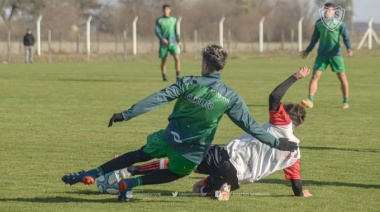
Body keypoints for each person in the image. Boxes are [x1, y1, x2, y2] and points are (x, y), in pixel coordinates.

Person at [62, 44, 298, 202]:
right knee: (174, 173)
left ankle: (94, 172)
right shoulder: (231, 97)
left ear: (205, 64)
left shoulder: (187, 83)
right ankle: (132, 183)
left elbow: (158, 98)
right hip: (192, 154)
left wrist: (126, 114)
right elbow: (251, 127)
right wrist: (276, 143)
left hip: (167, 139)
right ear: (221, 67)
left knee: (138, 154)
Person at [121, 67, 312, 200]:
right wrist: (302, 193)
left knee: (187, 158)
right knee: (198, 188)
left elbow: (274, 96)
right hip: (237, 179)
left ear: (285, 115)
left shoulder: (281, 122)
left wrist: (295, 77)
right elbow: (296, 184)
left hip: (224, 158)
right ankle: (214, 189)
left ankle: (133, 169)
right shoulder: (295, 153)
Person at [300, 2, 352, 109]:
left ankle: (345, 101)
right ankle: (310, 100)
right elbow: (315, 38)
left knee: (342, 77)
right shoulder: (319, 23)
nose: (328, 12)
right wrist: (308, 50)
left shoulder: (340, 23)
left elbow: (346, 36)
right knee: (315, 76)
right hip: (322, 55)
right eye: (326, 10)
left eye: (330, 10)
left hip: (335, 55)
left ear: (334, 12)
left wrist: (349, 48)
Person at [155, 4, 182, 82]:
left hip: (173, 42)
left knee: (177, 58)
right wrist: (162, 39)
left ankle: (178, 76)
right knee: (164, 60)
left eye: (167, 10)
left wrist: (179, 41)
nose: (166, 11)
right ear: (162, 11)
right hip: (163, 44)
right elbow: (157, 32)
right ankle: (164, 76)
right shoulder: (159, 20)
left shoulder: (173, 20)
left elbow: (176, 31)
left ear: (169, 11)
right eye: (164, 10)